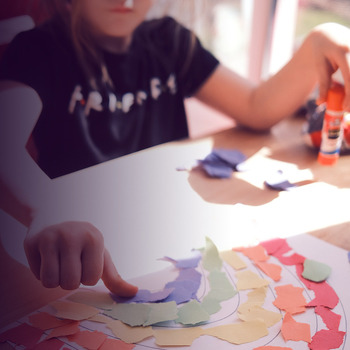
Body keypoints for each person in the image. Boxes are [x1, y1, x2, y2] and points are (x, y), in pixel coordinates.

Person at [0, 0, 350, 297]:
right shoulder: (36, 50)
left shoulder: (170, 41)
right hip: (80, 263)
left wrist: (316, 44)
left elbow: (257, 107)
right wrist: (43, 209)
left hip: (170, 238)